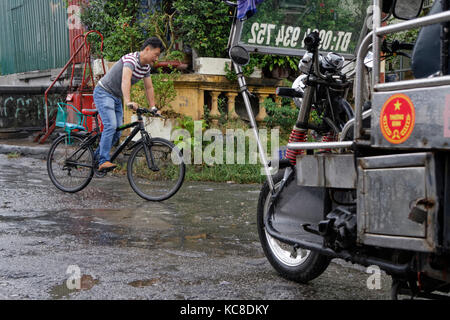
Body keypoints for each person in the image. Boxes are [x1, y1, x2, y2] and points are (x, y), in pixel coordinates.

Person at [93, 37, 164, 172]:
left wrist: (153, 107)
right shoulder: (130, 60)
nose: (156, 59)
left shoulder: (146, 67)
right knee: (111, 125)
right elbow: (125, 80)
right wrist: (128, 101)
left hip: (116, 97)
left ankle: (96, 159)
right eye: (156, 55)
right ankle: (103, 160)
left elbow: (149, 87)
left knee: (117, 133)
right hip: (103, 92)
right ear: (147, 49)